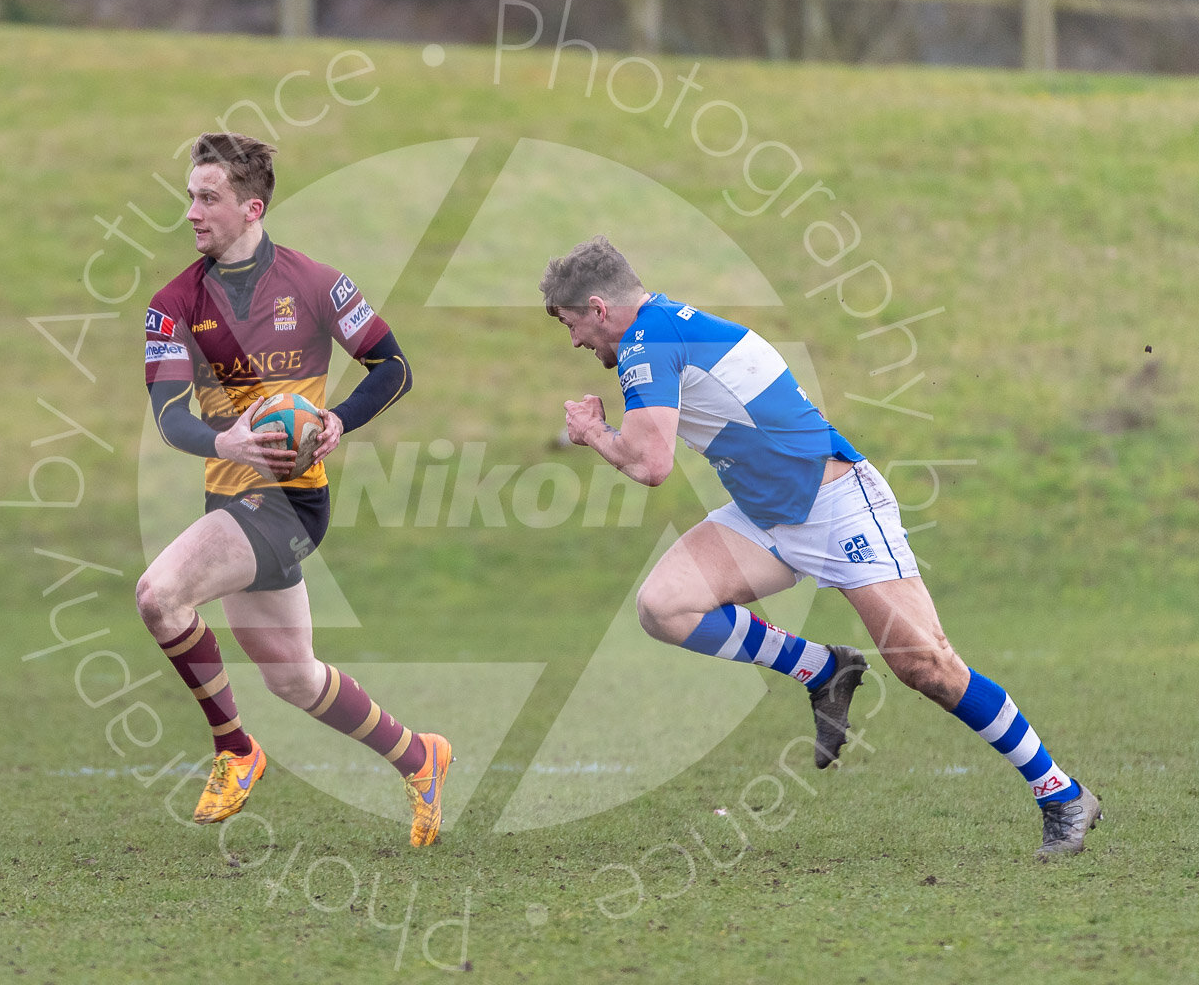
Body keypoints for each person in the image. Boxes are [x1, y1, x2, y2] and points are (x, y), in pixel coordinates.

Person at [540, 235, 1100, 858]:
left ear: (597, 307)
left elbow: (650, 465)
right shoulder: (664, 328)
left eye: (571, 325)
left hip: (835, 504)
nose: (575, 342)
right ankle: (825, 670)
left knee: (927, 666)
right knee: (664, 606)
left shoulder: (649, 341)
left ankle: (1062, 795)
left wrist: (593, 433)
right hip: (766, 516)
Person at [136, 132, 450, 848]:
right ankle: (419, 756)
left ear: (251, 209)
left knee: (159, 596)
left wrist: (338, 420)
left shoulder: (314, 284)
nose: (192, 211)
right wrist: (226, 442)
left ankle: (235, 750)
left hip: (290, 502)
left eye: (207, 197)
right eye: (190, 196)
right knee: (296, 680)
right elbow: (168, 415)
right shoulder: (173, 304)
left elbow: (392, 369)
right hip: (231, 501)